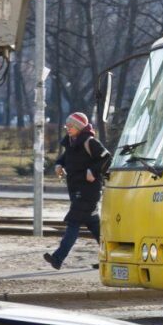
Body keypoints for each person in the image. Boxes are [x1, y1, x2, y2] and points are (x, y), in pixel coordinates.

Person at [44, 112, 109, 270]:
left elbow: (107, 158)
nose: (68, 128)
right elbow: (65, 158)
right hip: (76, 190)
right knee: (95, 227)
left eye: (71, 125)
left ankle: (58, 258)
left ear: (79, 127)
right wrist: (59, 164)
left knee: (73, 223)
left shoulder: (89, 142)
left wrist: (93, 171)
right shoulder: (72, 142)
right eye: (67, 125)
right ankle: (109, 259)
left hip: (88, 192)